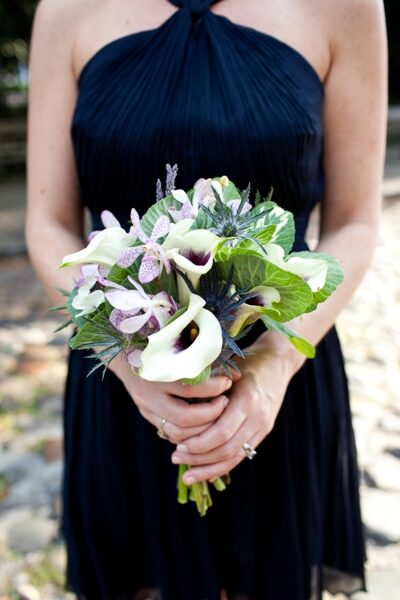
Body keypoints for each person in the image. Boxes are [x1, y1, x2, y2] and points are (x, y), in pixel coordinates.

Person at [25, 0, 387, 598]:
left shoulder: (346, 8)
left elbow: (355, 222)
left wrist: (272, 369)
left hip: (277, 390)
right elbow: (48, 224)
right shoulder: (64, 10)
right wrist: (131, 364)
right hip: (124, 386)